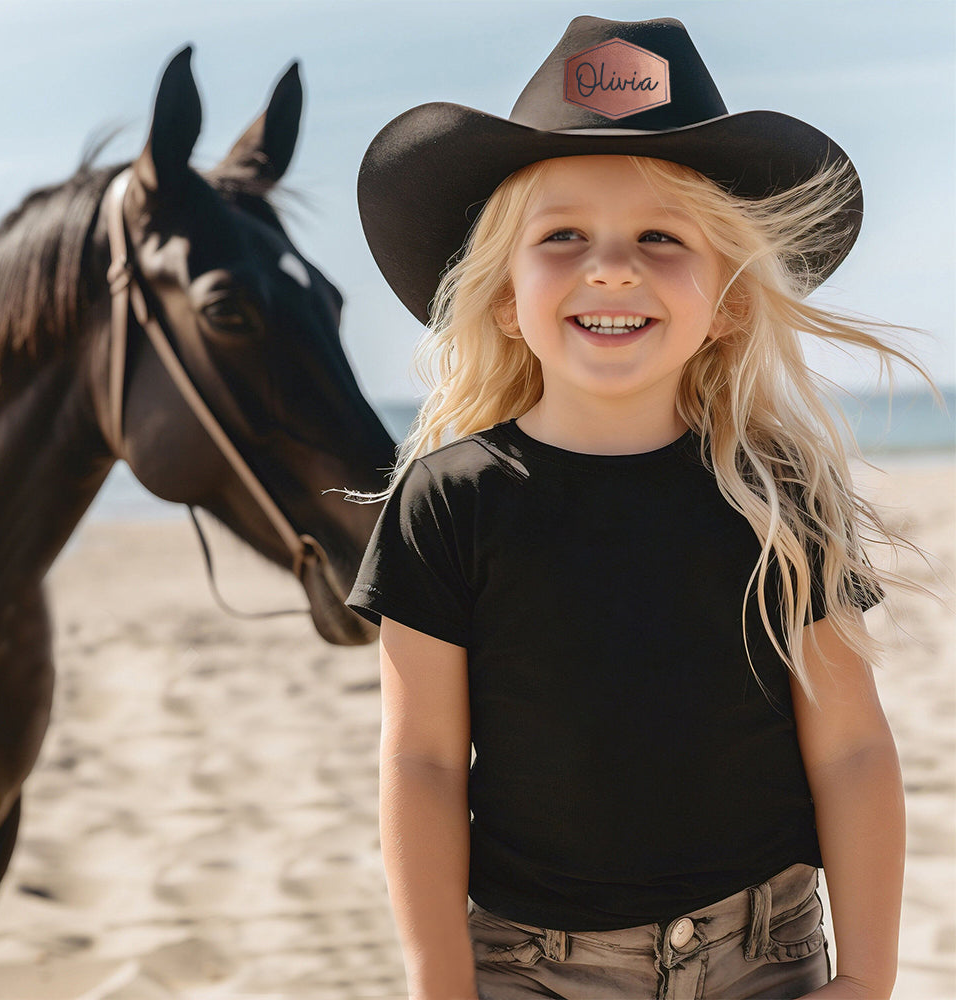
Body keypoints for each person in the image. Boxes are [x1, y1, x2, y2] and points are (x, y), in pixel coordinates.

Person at [347, 16, 927, 1000]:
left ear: (730, 297)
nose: (610, 267)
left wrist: (867, 975)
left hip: (766, 954)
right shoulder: (446, 502)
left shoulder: (776, 488)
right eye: (562, 236)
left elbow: (855, 747)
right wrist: (439, 982)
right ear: (499, 295)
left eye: (660, 237)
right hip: (531, 967)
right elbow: (425, 765)